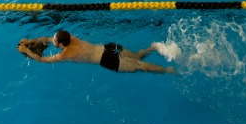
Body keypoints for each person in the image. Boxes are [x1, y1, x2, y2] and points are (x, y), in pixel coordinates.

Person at [18, 29, 175, 74]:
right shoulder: (71, 37)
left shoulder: (64, 54)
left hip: (107, 60)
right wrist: (31, 41)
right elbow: (48, 38)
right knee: (137, 56)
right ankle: (153, 47)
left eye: (55, 41)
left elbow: (42, 60)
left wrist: (26, 49)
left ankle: (168, 70)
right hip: (108, 47)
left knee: (141, 66)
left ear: (61, 44)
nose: (52, 41)